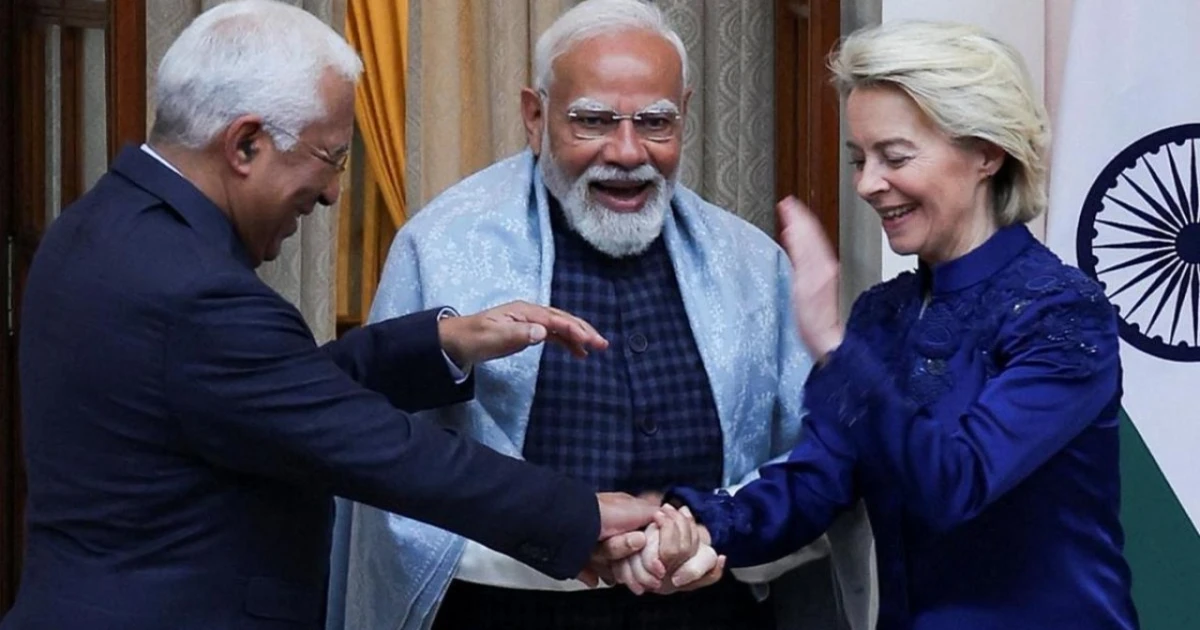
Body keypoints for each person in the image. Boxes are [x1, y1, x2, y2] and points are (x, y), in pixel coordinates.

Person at [0, 2, 665, 629]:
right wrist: (579, 516)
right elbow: (378, 449)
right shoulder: (199, 294)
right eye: (331, 158)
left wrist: (442, 342)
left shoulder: (96, 224)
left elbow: (265, 395)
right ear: (246, 145)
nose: (332, 193)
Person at [330, 1, 873, 629]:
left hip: (707, 611)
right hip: (506, 615)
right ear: (535, 116)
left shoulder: (750, 261)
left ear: (686, 114)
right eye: (591, 121)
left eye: (655, 122)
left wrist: (706, 533)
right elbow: (384, 465)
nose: (627, 150)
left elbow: (813, 455)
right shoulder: (442, 247)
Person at [662, 20, 1140, 630]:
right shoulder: (882, 314)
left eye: (895, 157)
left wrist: (832, 345)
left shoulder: (1063, 313)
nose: (867, 184)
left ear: (987, 153)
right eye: (859, 159)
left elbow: (958, 485)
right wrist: (697, 526)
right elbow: (817, 482)